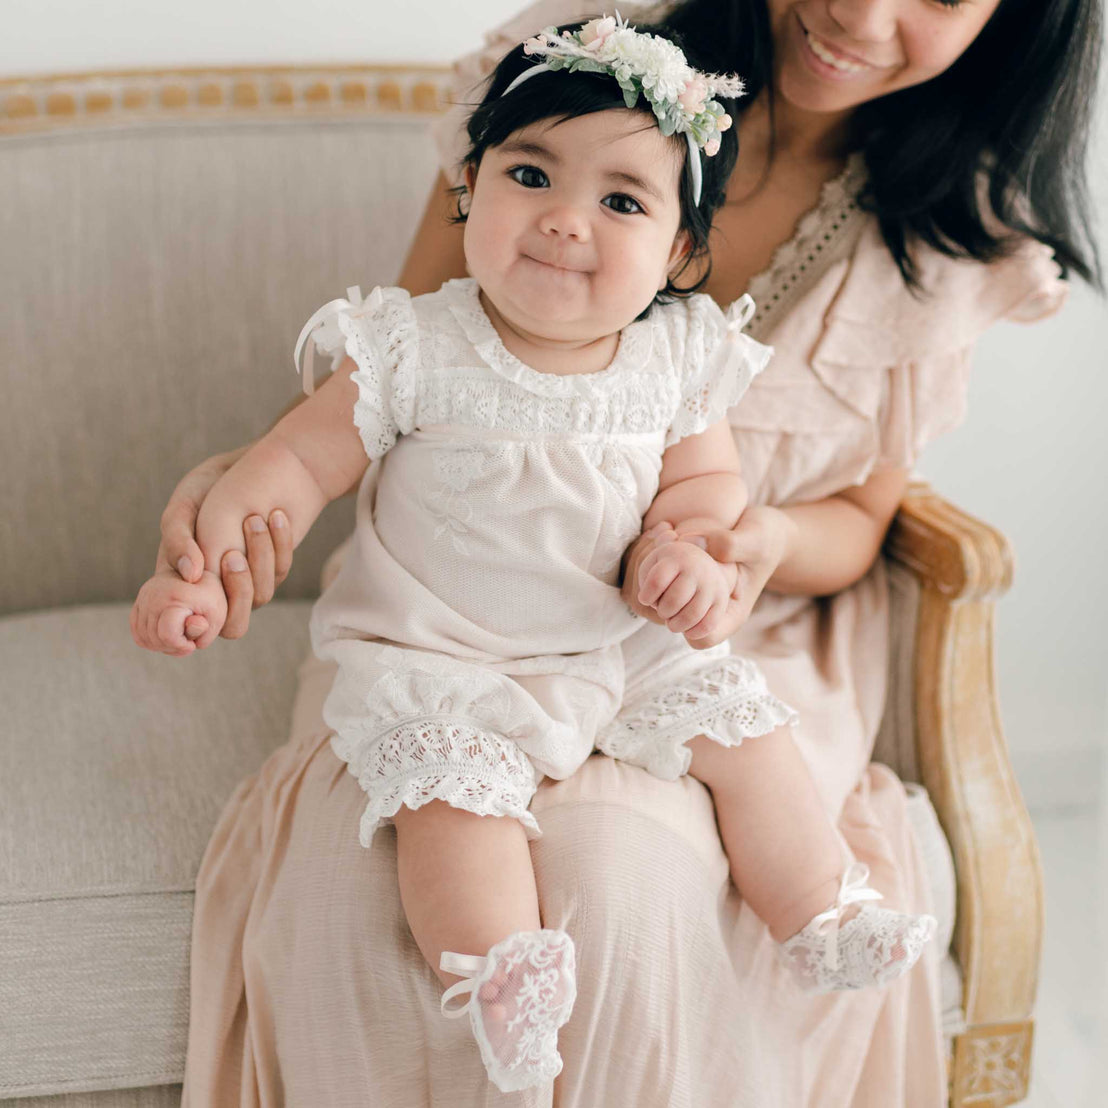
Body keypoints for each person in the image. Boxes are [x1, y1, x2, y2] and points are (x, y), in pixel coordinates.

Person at [166, 0, 1100, 1104]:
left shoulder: (950, 236)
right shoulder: (572, 73)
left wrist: (737, 538)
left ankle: (823, 914)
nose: (860, 10)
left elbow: (841, 520)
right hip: (449, 622)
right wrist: (247, 478)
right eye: (530, 185)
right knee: (409, 848)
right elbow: (379, 385)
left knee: (633, 874)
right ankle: (498, 978)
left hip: (691, 621)